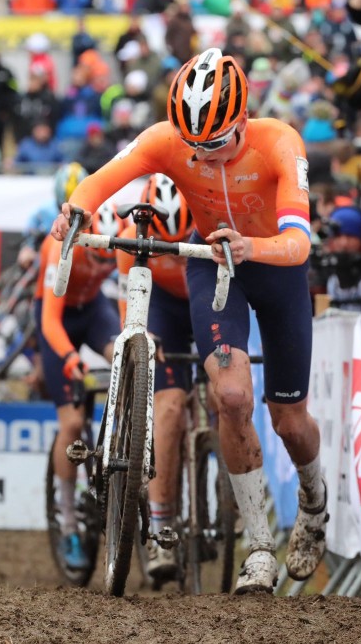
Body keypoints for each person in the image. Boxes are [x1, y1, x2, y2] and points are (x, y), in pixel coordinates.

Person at [52, 48, 328, 594]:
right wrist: (75, 211)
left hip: (270, 263)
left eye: (218, 143)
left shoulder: (280, 141)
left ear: (243, 118)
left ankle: (313, 500)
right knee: (230, 397)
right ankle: (258, 548)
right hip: (213, 263)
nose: (206, 154)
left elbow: (299, 243)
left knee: (290, 421)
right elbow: (98, 181)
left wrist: (251, 245)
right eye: (195, 146)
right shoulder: (165, 138)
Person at [115, 173, 195, 581]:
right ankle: (160, 524)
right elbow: (127, 313)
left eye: (182, 243)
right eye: (170, 246)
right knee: (169, 405)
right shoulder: (131, 240)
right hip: (161, 307)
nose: (178, 256)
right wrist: (145, 335)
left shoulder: (211, 223)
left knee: (224, 397)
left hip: (204, 298)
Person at [38, 201, 121, 570]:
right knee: (71, 424)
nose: (106, 264)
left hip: (93, 310)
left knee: (126, 354)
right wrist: (71, 358)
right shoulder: (59, 247)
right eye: (98, 256)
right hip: (58, 318)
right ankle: (68, 520)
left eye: (110, 258)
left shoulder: (121, 239)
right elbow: (50, 323)